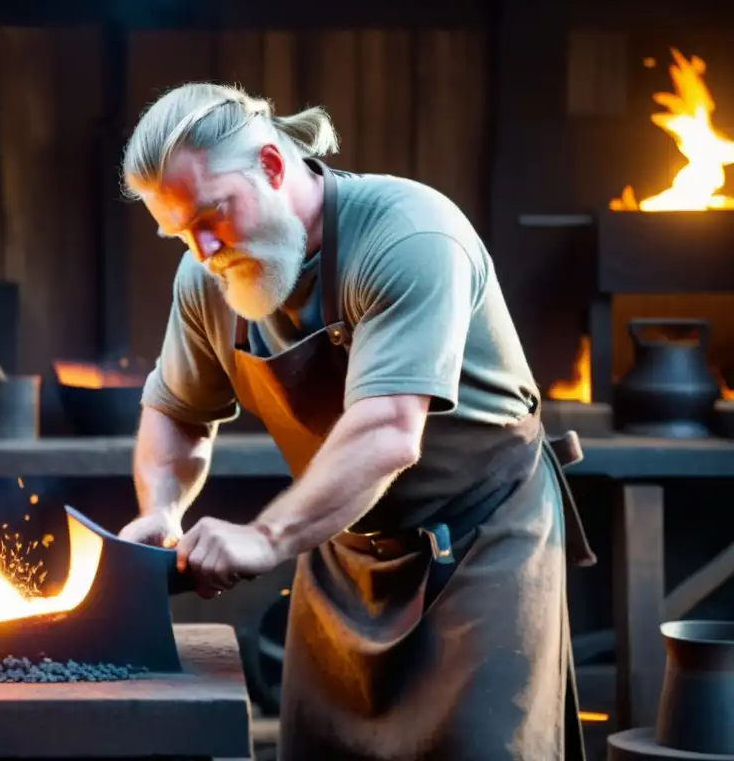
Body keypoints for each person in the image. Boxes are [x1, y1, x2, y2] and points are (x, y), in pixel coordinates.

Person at [117, 82, 596, 761]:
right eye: (178, 231)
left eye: (212, 213)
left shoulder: (409, 234)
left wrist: (265, 537)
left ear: (273, 167)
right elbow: (176, 415)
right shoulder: (207, 280)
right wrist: (162, 511)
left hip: (482, 543)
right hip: (343, 548)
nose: (201, 249)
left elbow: (388, 431)